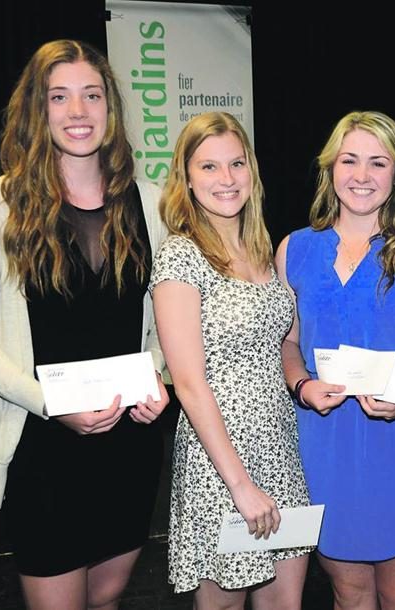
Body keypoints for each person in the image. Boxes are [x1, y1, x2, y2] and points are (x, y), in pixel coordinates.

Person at [0, 39, 170, 609]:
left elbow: (161, 328)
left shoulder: (151, 204)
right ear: (38, 108)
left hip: (129, 446)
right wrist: (48, 402)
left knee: (106, 601)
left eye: (91, 95)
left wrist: (158, 379)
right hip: (41, 447)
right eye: (60, 97)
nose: (78, 112)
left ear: (111, 108)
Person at [277, 110, 395, 609]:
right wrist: (301, 386)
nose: (362, 176)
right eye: (350, 160)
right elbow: (288, 341)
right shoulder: (294, 249)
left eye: (378, 163)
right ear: (330, 168)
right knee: (350, 595)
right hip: (324, 445)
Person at [150, 112, 311, 609]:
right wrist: (239, 485)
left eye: (236, 164)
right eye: (209, 167)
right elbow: (189, 383)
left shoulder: (263, 249)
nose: (226, 179)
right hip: (220, 463)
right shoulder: (180, 254)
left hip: (280, 449)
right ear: (186, 177)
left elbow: (285, 345)